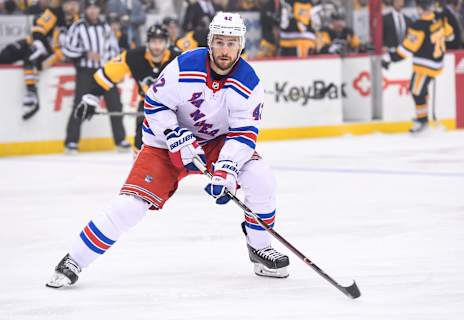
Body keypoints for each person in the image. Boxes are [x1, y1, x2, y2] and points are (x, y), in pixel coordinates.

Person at [46, 11, 290, 289]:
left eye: (231, 43)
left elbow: (244, 132)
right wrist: (175, 134)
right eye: (220, 42)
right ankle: (75, 259)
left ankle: (259, 247)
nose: (225, 50)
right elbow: (155, 103)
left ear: (241, 45)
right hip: (164, 143)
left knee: (261, 180)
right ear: (210, 41)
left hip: (215, 143)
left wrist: (227, 169)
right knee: (131, 205)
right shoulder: (185, 64)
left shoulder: (249, 81)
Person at [74, 24, 180, 154]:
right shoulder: (133, 56)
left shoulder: (178, 58)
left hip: (175, 107)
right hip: (148, 105)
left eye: (160, 42)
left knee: (179, 143)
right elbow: (107, 74)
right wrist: (92, 97)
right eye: (153, 41)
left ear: (167, 43)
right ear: (147, 42)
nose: (157, 46)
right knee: (141, 142)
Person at [62, 0, 130, 154]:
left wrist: (115, 68)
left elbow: (114, 49)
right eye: (90, 8)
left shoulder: (106, 27)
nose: (93, 11)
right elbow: (67, 49)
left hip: (105, 72)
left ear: (99, 10)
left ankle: (120, 140)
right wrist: (85, 53)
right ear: (85, 10)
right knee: (80, 104)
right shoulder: (78, 26)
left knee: (115, 105)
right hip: (86, 71)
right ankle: (71, 141)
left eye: (95, 8)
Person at [382, 0, 454, 133]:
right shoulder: (439, 17)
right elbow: (450, 35)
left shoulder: (419, 25)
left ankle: (422, 121)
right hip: (437, 62)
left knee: (416, 91)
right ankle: (423, 118)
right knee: (420, 90)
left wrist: (390, 59)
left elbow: (407, 49)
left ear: (420, 8)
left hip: (425, 65)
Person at [0, 0, 79, 120]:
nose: (71, 7)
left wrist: (60, 55)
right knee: (6, 54)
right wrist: (38, 42)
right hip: (35, 43)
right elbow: (39, 27)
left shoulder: (79, 23)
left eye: (74, 4)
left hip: (54, 54)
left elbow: (76, 47)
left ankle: (31, 93)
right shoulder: (54, 12)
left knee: (31, 59)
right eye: (69, 3)